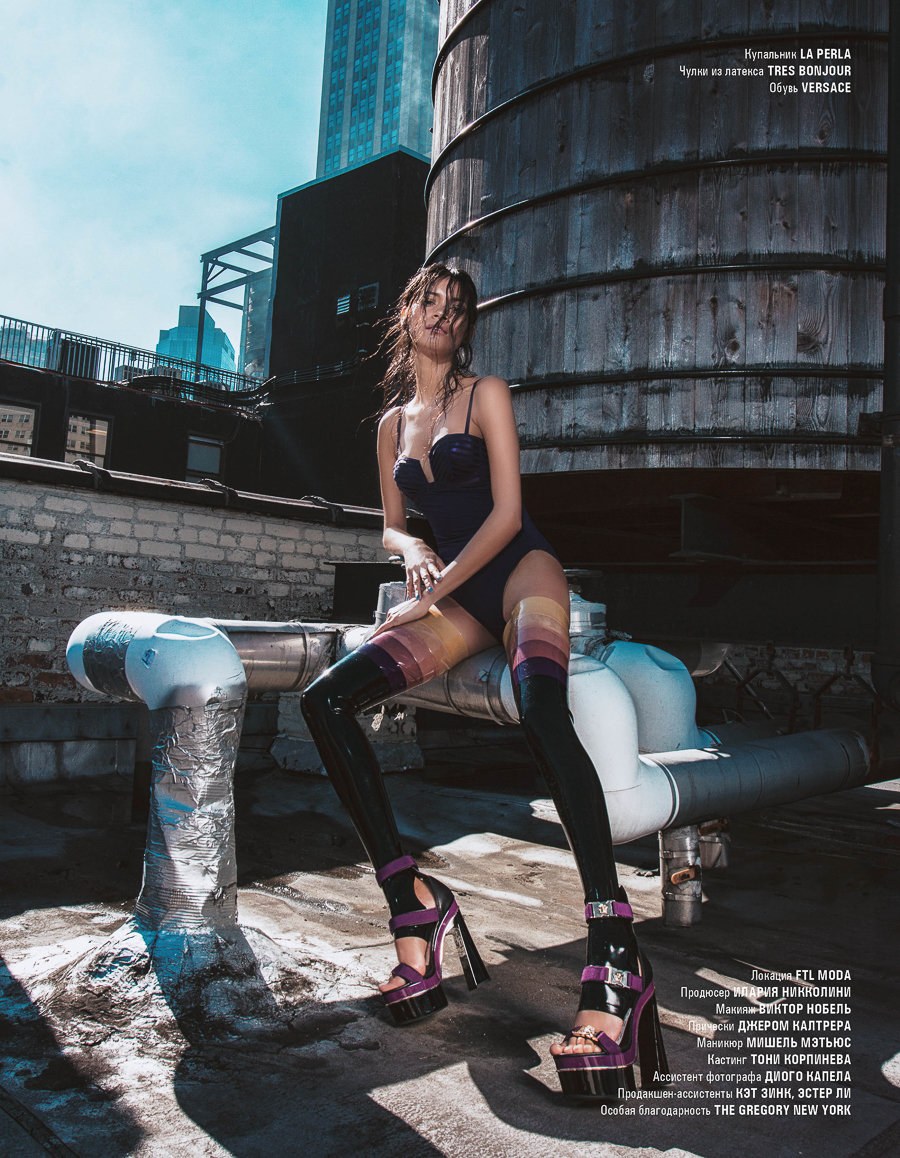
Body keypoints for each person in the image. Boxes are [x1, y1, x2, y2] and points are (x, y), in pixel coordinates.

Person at [300, 263, 668, 1098]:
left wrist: (436, 588)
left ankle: (614, 943)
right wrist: (413, 550)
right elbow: (391, 527)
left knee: (541, 706)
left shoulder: (486, 395)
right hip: (459, 593)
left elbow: (505, 515)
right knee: (327, 700)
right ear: (407, 312)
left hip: (521, 570)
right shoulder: (391, 424)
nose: (442, 314)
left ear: (465, 327)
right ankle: (411, 899)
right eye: (429, 301)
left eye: (456, 307)